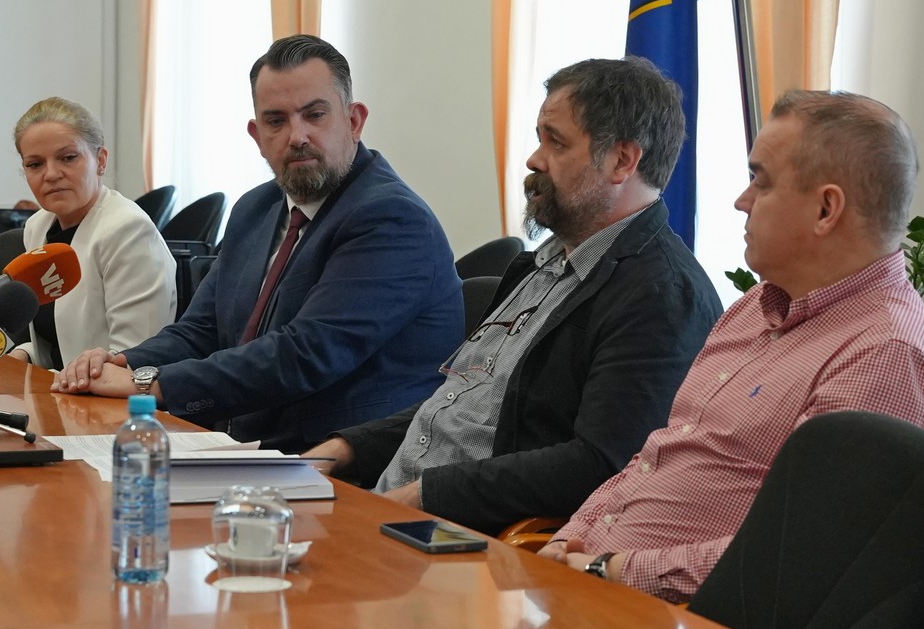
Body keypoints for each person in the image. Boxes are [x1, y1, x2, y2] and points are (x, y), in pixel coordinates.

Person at [539, 90, 924, 602]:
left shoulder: (886, 353)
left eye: (761, 181)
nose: (742, 200)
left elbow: (807, 557)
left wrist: (613, 570)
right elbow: (655, 460)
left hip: (692, 627)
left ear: (826, 209)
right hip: (596, 589)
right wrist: (566, 544)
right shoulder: (755, 307)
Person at [306, 57, 723, 536]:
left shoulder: (660, 296)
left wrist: (424, 496)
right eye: (539, 138)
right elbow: (463, 404)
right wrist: (345, 449)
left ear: (622, 161)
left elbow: (602, 464)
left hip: (466, 543)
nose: (534, 159)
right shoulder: (546, 262)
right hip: (397, 513)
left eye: (556, 142)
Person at [52, 35, 464, 449]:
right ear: (256, 134)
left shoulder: (392, 218)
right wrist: (122, 363)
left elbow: (306, 355)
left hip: (339, 460)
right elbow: (202, 330)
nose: (297, 136)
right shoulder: (257, 207)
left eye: (314, 115)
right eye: (276, 121)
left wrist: (149, 385)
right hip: (243, 445)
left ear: (354, 121)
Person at [11, 97, 176, 370]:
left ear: (100, 161)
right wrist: (26, 354)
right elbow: (57, 337)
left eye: (68, 158)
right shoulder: (37, 226)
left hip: (112, 392)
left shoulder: (128, 230)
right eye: (35, 164)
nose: (51, 174)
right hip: (57, 386)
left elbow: (134, 357)